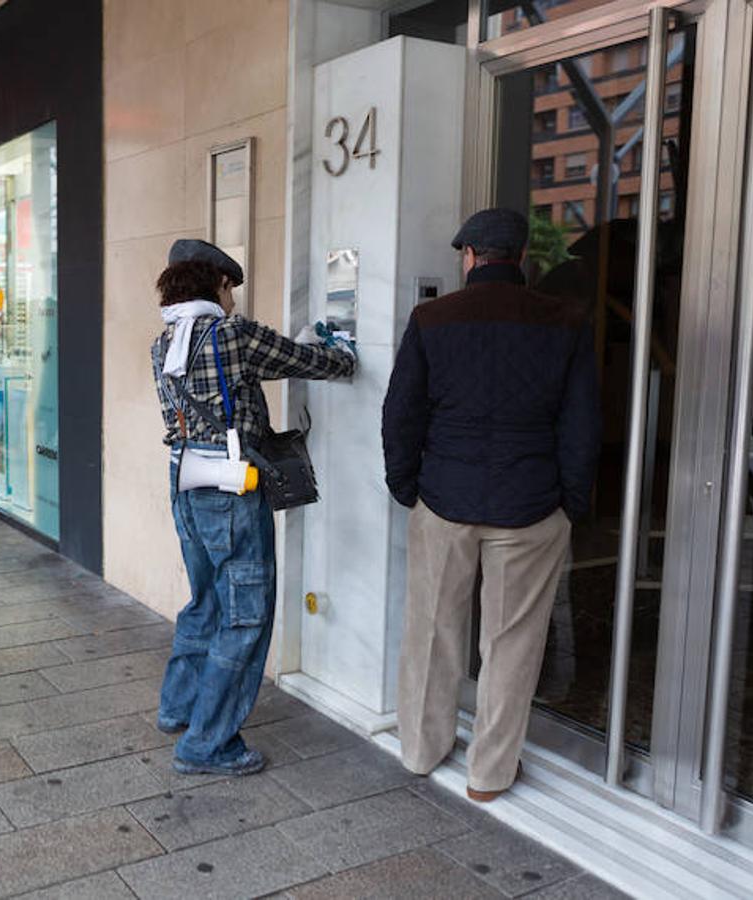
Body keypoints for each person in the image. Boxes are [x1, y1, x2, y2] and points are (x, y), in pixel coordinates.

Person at [381, 208, 601, 803]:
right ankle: (490, 774)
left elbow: (402, 413)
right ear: (522, 258)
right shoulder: (566, 320)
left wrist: (407, 486)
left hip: (445, 501)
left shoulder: (432, 318)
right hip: (530, 505)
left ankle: (421, 751)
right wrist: (571, 505)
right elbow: (581, 427)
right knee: (512, 644)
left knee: (431, 630)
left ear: (470, 256)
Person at [151, 238, 356, 776]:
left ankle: (179, 708)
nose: (234, 301)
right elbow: (306, 360)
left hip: (185, 480)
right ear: (215, 284)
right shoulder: (231, 335)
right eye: (230, 289)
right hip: (230, 487)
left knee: (206, 602)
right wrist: (344, 354)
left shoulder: (164, 341)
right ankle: (207, 744)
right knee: (245, 613)